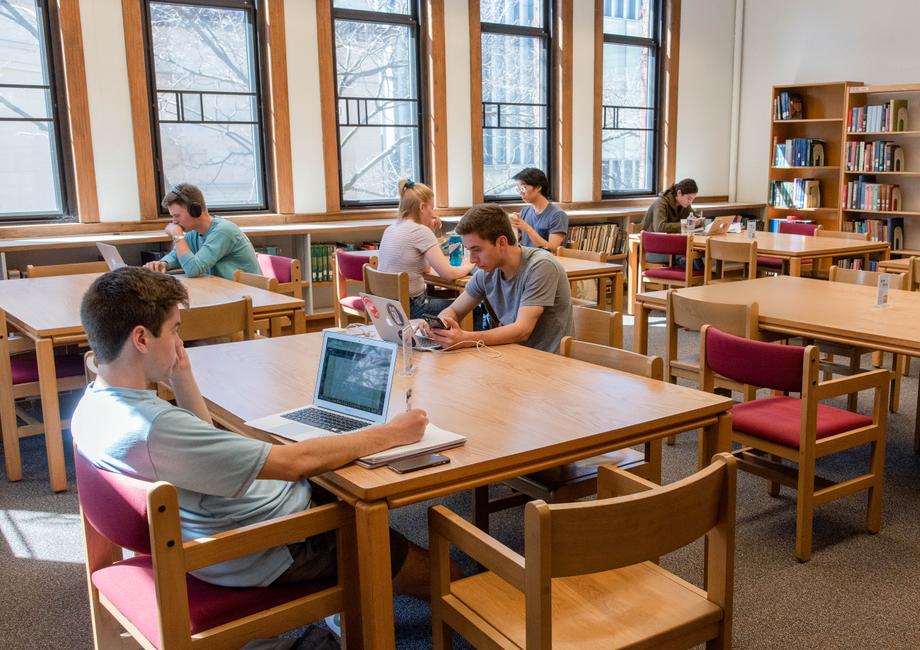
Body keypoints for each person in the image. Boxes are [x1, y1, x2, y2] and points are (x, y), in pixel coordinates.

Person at [71, 267, 434, 598]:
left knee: (338, 479)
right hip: (261, 549)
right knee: (369, 515)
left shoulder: (92, 406)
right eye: (174, 329)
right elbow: (294, 463)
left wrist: (181, 376)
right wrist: (391, 433)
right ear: (141, 339)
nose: (180, 340)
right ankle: (459, 593)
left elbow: (197, 445)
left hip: (215, 527)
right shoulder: (155, 427)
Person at [420, 204, 573, 353]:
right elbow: (454, 310)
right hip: (511, 355)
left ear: (501, 242)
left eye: (477, 250)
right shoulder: (487, 271)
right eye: (469, 251)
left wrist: (464, 338)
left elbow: (522, 330)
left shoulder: (541, 266)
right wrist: (442, 327)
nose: (472, 260)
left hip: (548, 364)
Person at [377, 179, 474, 318]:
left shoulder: (391, 228)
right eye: (432, 208)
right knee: (471, 309)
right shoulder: (420, 231)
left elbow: (425, 269)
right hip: (412, 306)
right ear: (422, 207)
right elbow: (449, 274)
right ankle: (472, 341)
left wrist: (430, 232)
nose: (434, 214)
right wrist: (469, 266)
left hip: (387, 306)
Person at [144, 183, 261, 280]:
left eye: (177, 216)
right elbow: (176, 256)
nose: (174, 222)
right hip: (227, 294)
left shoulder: (222, 231)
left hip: (249, 298)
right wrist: (163, 263)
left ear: (195, 210)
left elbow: (193, 270)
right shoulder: (193, 232)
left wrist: (177, 235)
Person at [509, 167, 569, 253]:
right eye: (518, 189)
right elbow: (518, 242)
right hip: (527, 258)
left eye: (523, 188)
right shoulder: (525, 211)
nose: (520, 193)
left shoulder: (557, 215)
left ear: (538, 188)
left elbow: (552, 249)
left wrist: (527, 228)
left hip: (546, 261)